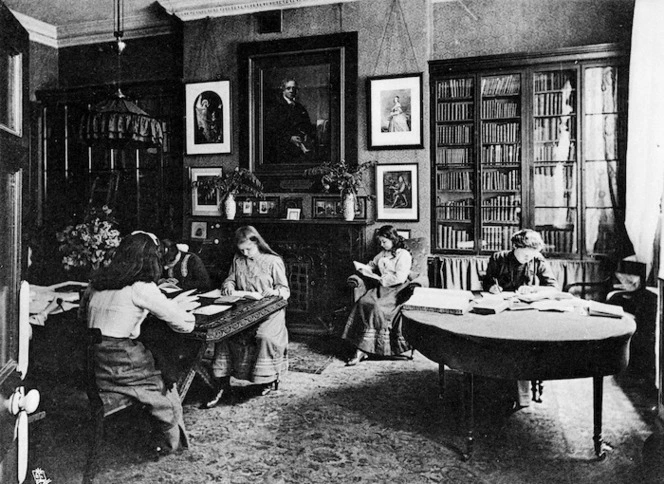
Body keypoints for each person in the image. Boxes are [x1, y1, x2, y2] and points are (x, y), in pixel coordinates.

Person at [78, 231, 199, 456]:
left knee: (154, 357)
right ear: (151, 259)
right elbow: (184, 325)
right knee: (165, 380)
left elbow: (82, 317)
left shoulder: (96, 283)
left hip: (96, 362)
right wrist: (184, 311)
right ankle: (170, 442)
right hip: (121, 360)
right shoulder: (141, 287)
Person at [203, 226, 290, 408]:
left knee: (264, 337)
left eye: (248, 249)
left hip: (270, 311)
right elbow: (231, 279)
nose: (245, 253)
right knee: (224, 334)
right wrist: (228, 285)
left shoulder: (273, 261)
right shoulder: (238, 259)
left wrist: (273, 291)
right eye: (241, 249)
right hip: (243, 309)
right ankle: (221, 382)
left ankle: (267, 378)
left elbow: (285, 290)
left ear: (256, 242)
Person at [481, 228, 558, 408]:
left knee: (521, 345)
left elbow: (553, 287)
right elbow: (487, 281)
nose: (528, 258)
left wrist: (534, 289)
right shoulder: (498, 258)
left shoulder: (537, 259)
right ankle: (500, 387)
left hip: (526, 310)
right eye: (525, 254)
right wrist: (492, 287)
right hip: (501, 308)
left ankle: (520, 393)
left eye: (532, 255)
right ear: (515, 246)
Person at [342, 225, 413, 366]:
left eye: (384, 241)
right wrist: (364, 269)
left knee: (377, 307)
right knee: (363, 302)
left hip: (397, 289)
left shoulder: (403, 254)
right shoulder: (383, 253)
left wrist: (380, 279)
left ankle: (375, 348)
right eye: (380, 241)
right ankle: (361, 347)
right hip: (382, 288)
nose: (382, 244)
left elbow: (400, 277)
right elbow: (372, 265)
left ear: (393, 239)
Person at [265, 78, 316, 164]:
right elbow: (271, 130)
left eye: (294, 88)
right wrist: (289, 138)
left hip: (300, 150)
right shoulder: (275, 108)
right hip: (283, 152)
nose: (292, 91)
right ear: (283, 90)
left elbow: (307, 125)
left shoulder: (300, 108)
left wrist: (306, 135)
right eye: (288, 88)